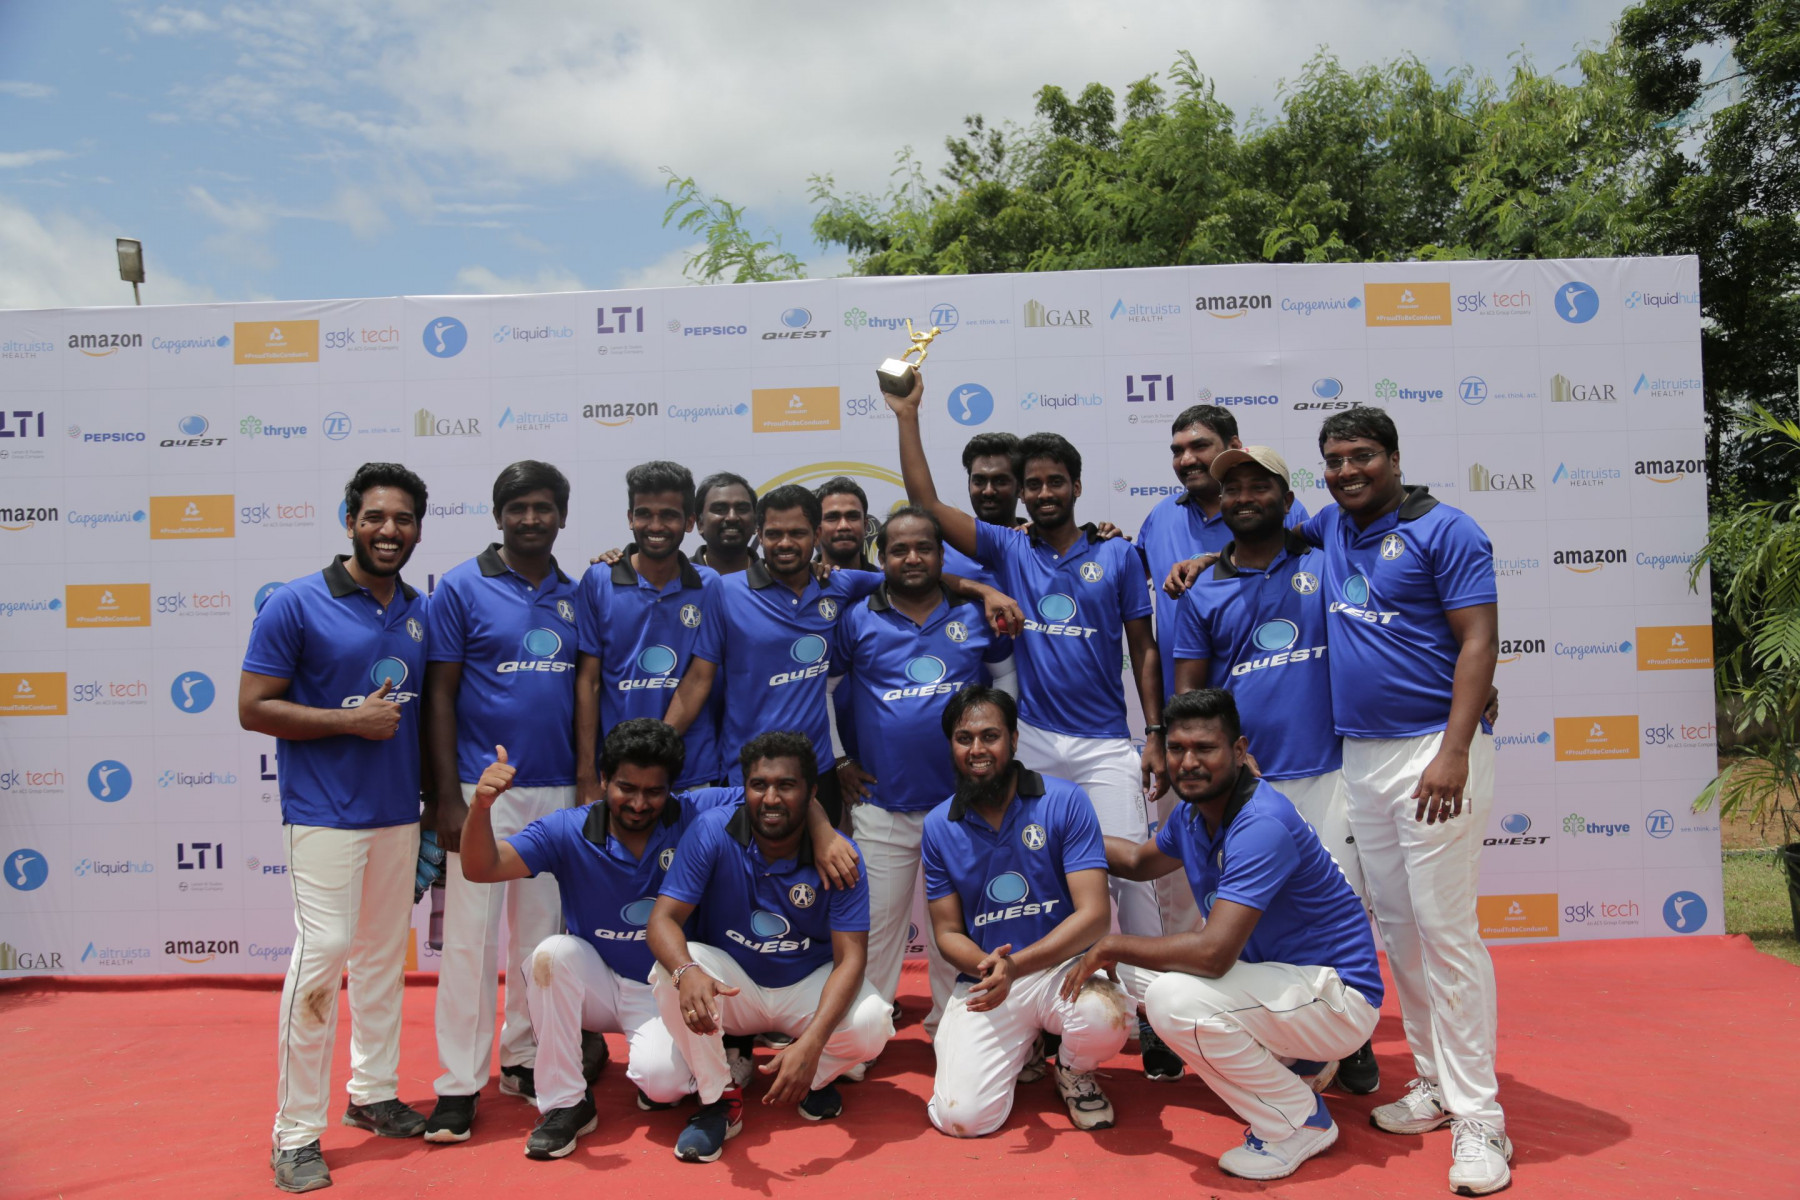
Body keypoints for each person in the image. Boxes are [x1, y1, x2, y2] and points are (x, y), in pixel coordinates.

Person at [887, 371, 1175, 1078]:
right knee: (1041, 878)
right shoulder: (1008, 549)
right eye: (1034, 484)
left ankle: (1152, 1015)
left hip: (1105, 743)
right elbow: (926, 505)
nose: (1044, 493)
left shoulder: (1117, 553)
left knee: (1132, 884)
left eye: (1055, 482)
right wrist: (907, 416)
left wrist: (1155, 732)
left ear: (1076, 486)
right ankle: (1047, 1014)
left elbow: (1143, 646)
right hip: (1037, 742)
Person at [455, 719, 859, 1160]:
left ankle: (719, 1065)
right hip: (599, 980)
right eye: (626, 788)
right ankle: (565, 1104)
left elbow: (775, 798)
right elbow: (481, 868)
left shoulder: (693, 812)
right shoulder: (567, 829)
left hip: (662, 987)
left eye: (654, 791)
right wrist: (481, 806)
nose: (638, 803)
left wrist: (822, 831)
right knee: (550, 956)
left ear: (673, 789)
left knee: (663, 1086)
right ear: (604, 779)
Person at [1300, 406, 1508, 1195]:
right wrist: (1191, 563)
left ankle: (1481, 1117)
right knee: (1401, 932)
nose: (1346, 471)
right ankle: (1434, 1082)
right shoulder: (1329, 525)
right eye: (1334, 460)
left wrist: (1455, 749)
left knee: (1447, 934)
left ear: (1392, 457)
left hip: (1433, 752)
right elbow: (1255, 529)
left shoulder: (1446, 529)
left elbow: (1479, 639)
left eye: (1360, 456)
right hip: (1362, 755)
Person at [1066, 688, 1384, 1182]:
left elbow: (1212, 955)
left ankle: (1298, 1121)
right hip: (1281, 983)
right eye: (1177, 749)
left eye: (1205, 748)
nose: (1188, 762)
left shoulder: (1261, 824)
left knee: (1172, 1000)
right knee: (1126, 974)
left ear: (1238, 751)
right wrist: (1057, 831)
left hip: (1337, 999)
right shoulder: (1194, 814)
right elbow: (1136, 862)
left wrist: (1110, 942)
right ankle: (1298, 1061)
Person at [240, 462, 432, 1193]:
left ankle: (373, 1093)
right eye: (375, 517)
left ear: (417, 530)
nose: (388, 530)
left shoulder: (418, 609)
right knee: (322, 956)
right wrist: (350, 722)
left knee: (382, 958)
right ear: (350, 521)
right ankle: (294, 1133)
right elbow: (253, 706)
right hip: (323, 816)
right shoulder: (295, 603)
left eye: (403, 519)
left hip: (398, 816)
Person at [1168, 446, 1377, 1094]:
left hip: (1327, 770)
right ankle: (1285, 1039)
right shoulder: (1202, 588)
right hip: (1245, 789)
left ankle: (1350, 1036)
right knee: (1254, 919)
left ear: (1289, 500)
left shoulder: (1326, 558)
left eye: (1260, 486)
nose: (1244, 498)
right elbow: (1188, 692)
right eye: (1232, 489)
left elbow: (1398, 620)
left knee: (1338, 910)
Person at [664, 483, 1019, 827]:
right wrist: (661, 743)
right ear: (759, 535)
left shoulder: (840, 584)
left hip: (818, 770)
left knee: (822, 865)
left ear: (816, 535)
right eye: (774, 534)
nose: (785, 543)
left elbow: (911, 576)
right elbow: (698, 680)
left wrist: (982, 590)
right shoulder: (724, 591)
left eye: (797, 533)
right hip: (750, 770)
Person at [421, 461, 581, 1142]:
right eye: (517, 508)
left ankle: (522, 1058)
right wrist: (446, 800)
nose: (531, 519)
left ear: (562, 516)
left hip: (559, 790)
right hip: (481, 791)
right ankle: (459, 1084)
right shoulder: (461, 587)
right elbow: (439, 696)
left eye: (543, 507)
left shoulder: (576, 593)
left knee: (541, 942)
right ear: (498, 515)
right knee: (470, 940)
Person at [647, 732, 895, 1163]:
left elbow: (851, 960)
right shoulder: (712, 830)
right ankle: (719, 1100)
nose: (771, 798)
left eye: (786, 785)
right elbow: (661, 921)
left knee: (873, 1022)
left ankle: (811, 1075)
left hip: (803, 985)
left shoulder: (841, 854)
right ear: (744, 788)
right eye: (759, 785)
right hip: (735, 987)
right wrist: (687, 972)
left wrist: (812, 1043)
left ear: (812, 793)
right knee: (672, 972)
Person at [827, 506, 1016, 1037]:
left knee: (955, 930)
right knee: (876, 930)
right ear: (881, 557)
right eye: (899, 550)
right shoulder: (856, 618)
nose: (912, 558)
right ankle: (862, 1034)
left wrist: (1001, 754)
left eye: (924, 548)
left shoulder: (975, 614)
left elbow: (1005, 680)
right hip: (883, 806)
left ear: (941, 554)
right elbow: (826, 691)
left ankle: (953, 1031)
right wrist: (840, 758)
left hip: (962, 809)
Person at [921, 687, 1129, 1137]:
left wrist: (1016, 965)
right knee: (962, 1119)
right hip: (989, 978)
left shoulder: (1065, 799)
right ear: (951, 746)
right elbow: (947, 932)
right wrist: (993, 968)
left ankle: (1073, 1070)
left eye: (990, 736)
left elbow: (1094, 915)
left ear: (1014, 740)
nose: (977, 749)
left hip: (1061, 968)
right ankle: (1027, 1047)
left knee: (1105, 1016)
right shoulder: (938, 825)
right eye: (964, 738)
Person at [1136, 406, 1310, 716]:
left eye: (1199, 446)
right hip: (1185, 710)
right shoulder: (1160, 515)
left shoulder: (1284, 511)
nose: (1186, 460)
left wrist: (1213, 559)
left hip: (1277, 703)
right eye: (1177, 451)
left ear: (1233, 445)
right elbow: (1125, 578)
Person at [575, 461, 723, 794]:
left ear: (689, 522)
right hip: (617, 771)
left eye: (668, 515)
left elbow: (700, 678)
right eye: (644, 514)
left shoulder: (709, 585)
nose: (655, 526)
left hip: (689, 769)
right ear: (630, 518)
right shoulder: (598, 580)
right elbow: (589, 681)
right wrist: (586, 773)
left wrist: (652, 754)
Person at [939, 432, 1024, 588]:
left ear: (1020, 487)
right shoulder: (943, 547)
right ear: (969, 485)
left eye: (1000, 481)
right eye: (979, 481)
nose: (988, 491)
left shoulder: (1036, 544)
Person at [692, 472, 757, 575]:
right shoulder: (678, 576)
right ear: (700, 524)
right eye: (719, 509)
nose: (732, 517)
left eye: (742, 509)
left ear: (755, 523)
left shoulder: (775, 577)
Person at [815, 475, 878, 571]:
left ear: (865, 525)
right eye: (832, 518)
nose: (843, 526)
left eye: (853, 517)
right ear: (817, 529)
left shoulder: (886, 580)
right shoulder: (801, 579)